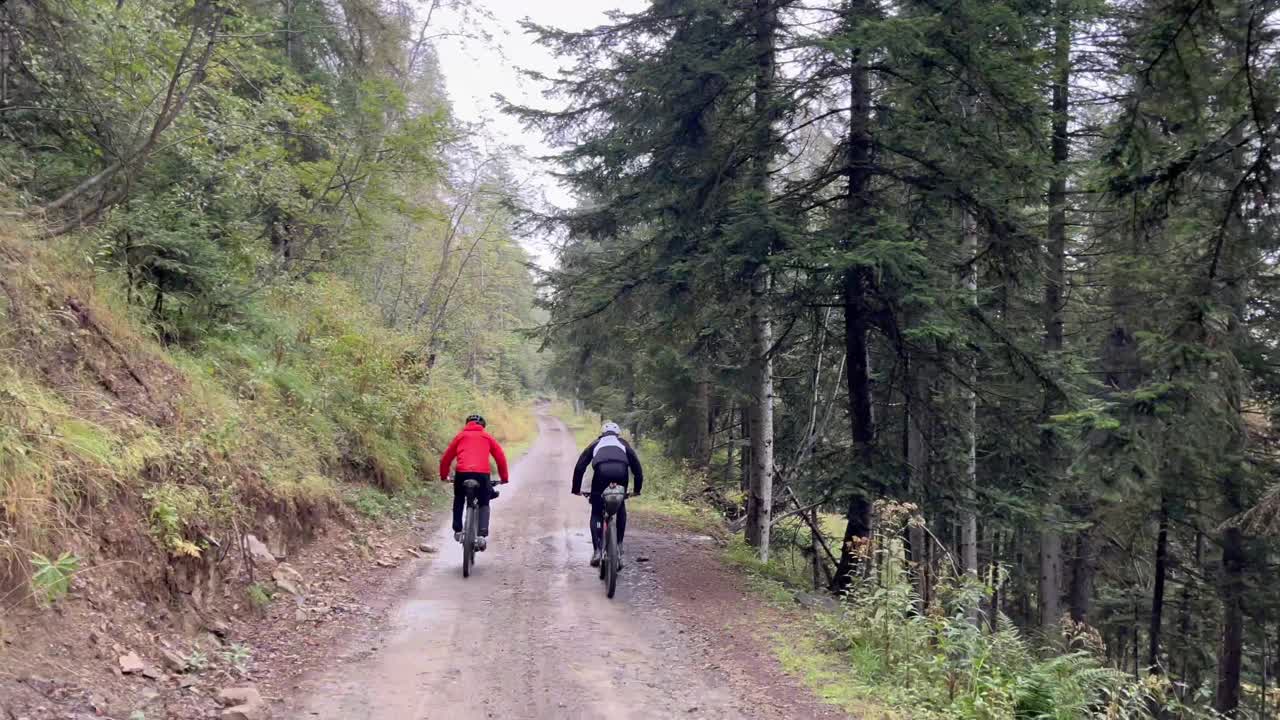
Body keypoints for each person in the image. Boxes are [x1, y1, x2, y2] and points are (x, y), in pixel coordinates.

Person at [571, 421, 644, 567]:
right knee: (620, 506)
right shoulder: (623, 444)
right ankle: (618, 545)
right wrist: (636, 490)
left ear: (602, 433)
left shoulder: (596, 444)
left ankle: (597, 550)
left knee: (597, 512)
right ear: (618, 434)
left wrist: (576, 489)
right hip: (621, 473)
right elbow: (637, 469)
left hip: (601, 474)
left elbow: (580, 467)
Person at [439, 414, 509, 551]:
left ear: (467, 424)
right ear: (482, 426)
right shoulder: (487, 437)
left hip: (462, 473)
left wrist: (444, 476)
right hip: (482, 475)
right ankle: (482, 535)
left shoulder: (460, 436)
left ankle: (458, 530)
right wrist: (504, 478)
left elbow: (446, 458)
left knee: (459, 498)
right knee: (484, 501)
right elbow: (500, 457)